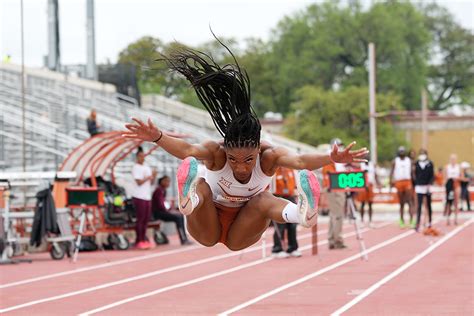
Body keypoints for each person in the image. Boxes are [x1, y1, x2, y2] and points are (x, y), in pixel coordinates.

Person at [123, 42, 368, 251]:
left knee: (262, 198)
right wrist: (158, 136)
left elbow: (301, 162)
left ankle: (303, 215)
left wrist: (331, 157)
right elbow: (187, 151)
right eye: (234, 160)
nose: (240, 167)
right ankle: (189, 200)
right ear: (226, 152)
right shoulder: (216, 153)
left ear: (257, 151)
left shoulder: (269, 156)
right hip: (207, 222)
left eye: (248, 160)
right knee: (201, 185)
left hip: (242, 229)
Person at [322, 138, 348, 250]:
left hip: (338, 187)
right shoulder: (330, 157)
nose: (341, 147)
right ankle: (337, 240)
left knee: (334, 215)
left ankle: (332, 239)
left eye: (342, 145)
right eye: (339, 145)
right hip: (334, 188)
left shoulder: (338, 158)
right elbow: (329, 174)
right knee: (338, 215)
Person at [152, 175, 192, 245]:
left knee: (180, 215)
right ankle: (183, 239)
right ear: (161, 182)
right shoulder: (159, 190)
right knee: (178, 217)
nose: (168, 183)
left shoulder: (163, 190)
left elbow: (163, 203)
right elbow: (161, 205)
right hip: (158, 213)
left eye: (169, 181)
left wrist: (171, 209)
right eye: (167, 181)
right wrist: (169, 211)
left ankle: (184, 238)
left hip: (162, 211)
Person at [271, 167, 301, 258]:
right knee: (280, 225)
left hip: (290, 197)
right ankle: (277, 249)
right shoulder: (273, 171)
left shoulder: (292, 170)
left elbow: (295, 185)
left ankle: (292, 248)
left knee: (293, 225)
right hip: (278, 197)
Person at [132, 147, 158, 249]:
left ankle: (143, 239)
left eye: (143, 156)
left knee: (146, 219)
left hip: (147, 196)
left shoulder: (146, 168)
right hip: (139, 196)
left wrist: (154, 176)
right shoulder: (136, 167)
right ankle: (139, 240)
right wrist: (148, 177)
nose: (142, 158)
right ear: (137, 157)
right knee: (140, 219)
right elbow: (138, 182)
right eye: (140, 156)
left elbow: (151, 183)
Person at [413, 149, 437, 235]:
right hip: (419, 187)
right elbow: (414, 174)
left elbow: (432, 175)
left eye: (424, 154)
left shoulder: (430, 163)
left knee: (428, 205)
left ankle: (429, 222)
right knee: (419, 206)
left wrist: (429, 184)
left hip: (427, 186)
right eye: (421, 154)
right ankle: (418, 223)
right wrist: (416, 183)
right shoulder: (416, 163)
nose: (422, 155)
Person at [389, 146, 414, 228]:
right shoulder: (395, 161)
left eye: (403, 152)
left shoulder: (409, 160)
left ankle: (411, 220)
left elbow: (412, 172)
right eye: (400, 152)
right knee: (401, 203)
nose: (402, 153)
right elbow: (391, 172)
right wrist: (391, 182)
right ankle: (401, 220)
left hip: (407, 181)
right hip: (399, 182)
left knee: (409, 201)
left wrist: (414, 181)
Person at [357, 154, 380, 228]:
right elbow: (358, 175)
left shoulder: (372, 165)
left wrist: (378, 184)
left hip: (370, 185)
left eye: (368, 156)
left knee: (370, 204)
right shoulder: (360, 165)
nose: (367, 157)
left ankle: (370, 221)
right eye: (365, 157)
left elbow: (375, 175)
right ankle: (362, 221)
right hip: (363, 186)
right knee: (363, 204)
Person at [444, 154, 462, 225]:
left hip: (456, 185)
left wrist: (457, 178)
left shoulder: (459, 167)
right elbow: (445, 178)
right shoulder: (447, 167)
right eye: (452, 159)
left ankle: (456, 219)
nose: (453, 160)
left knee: (456, 203)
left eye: (454, 159)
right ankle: (448, 219)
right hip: (449, 185)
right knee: (449, 202)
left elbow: (462, 177)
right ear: (449, 159)